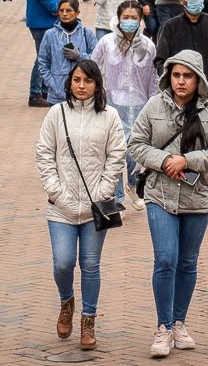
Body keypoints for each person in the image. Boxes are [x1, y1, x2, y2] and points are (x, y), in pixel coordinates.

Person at [129, 50, 208, 358]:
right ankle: (162, 328)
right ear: (168, 76)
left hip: (196, 197)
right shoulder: (154, 106)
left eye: (187, 76)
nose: (181, 81)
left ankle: (179, 323)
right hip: (159, 194)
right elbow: (136, 144)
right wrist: (165, 161)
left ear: (198, 79)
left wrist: (187, 160)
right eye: (176, 75)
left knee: (187, 262)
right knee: (166, 259)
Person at [35, 60, 128, 351]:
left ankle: (89, 319)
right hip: (60, 207)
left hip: (95, 208)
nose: (81, 86)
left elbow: (116, 156)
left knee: (90, 265)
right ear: (69, 82)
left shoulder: (110, 116)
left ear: (97, 84)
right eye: (76, 80)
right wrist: (56, 191)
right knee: (63, 263)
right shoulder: (56, 114)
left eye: (88, 81)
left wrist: (101, 192)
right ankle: (66, 301)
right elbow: (44, 154)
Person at [90, 0, 159, 209]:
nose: (129, 21)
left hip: (139, 105)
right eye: (125, 17)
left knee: (134, 151)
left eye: (134, 18)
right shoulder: (106, 43)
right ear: (119, 19)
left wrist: (153, 104)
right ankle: (118, 199)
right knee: (114, 151)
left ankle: (132, 182)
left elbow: (154, 77)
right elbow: (93, 67)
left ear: (140, 20)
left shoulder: (148, 46)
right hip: (112, 104)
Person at [37, 0, 99, 106]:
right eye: (61, 10)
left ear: (77, 12)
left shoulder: (86, 33)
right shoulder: (50, 35)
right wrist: (52, 84)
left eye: (69, 10)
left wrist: (79, 56)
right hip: (57, 96)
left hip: (82, 94)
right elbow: (42, 62)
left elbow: (97, 59)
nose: (64, 14)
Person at [27, 0, 64, 107]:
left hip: (38, 19)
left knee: (45, 56)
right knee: (42, 58)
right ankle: (35, 93)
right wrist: (55, 8)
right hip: (43, 20)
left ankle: (43, 90)